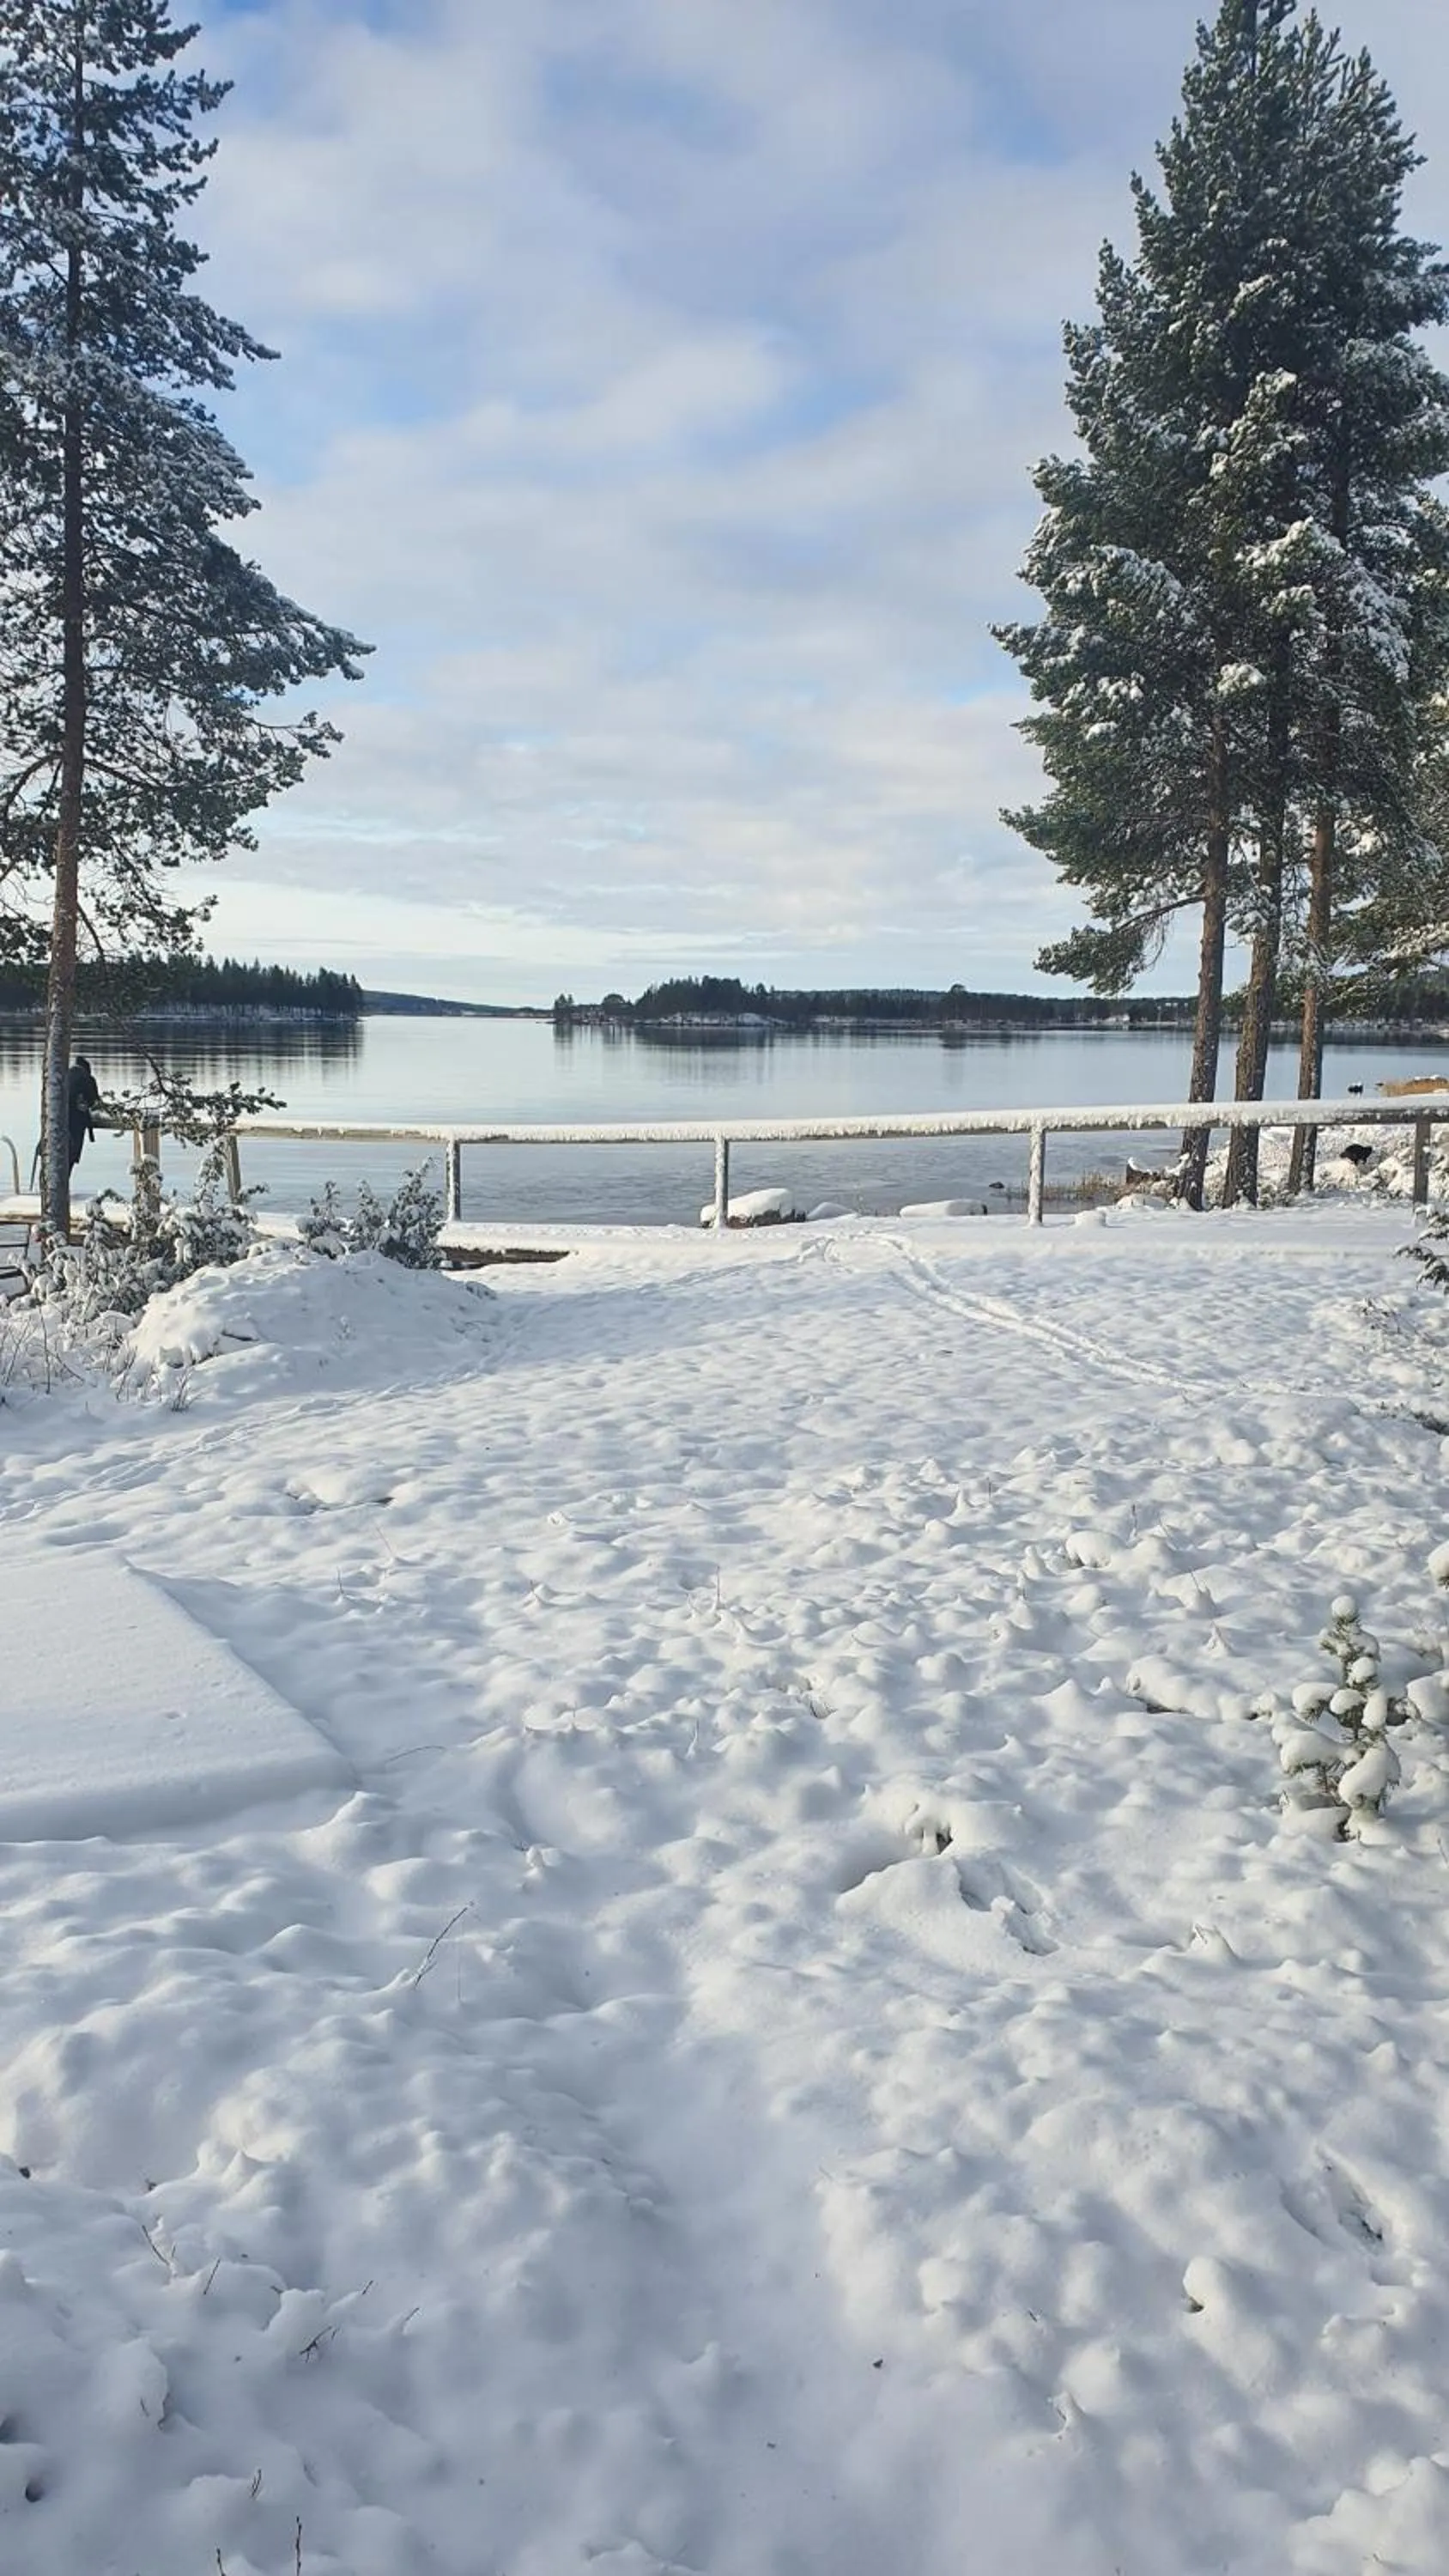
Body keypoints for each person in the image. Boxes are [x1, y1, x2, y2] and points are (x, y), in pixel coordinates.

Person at [66, 1057, 100, 1173]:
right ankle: (64, 1184)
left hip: (59, 1119)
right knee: (72, 1154)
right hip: (77, 1121)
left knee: (59, 1154)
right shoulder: (88, 1079)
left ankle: (54, 1185)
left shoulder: (64, 1075)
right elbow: (94, 1101)